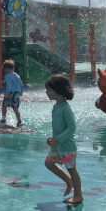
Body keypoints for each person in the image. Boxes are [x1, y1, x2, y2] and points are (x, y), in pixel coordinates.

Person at [44, 74, 83, 204]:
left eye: (49, 90)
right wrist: (53, 138)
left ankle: (78, 195)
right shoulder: (56, 106)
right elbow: (60, 127)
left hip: (67, 147)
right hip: (58, 145)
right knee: (48, 163)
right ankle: (68, 181)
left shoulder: (66, 108)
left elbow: (72, 128)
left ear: (58, 91)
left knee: (72, 169)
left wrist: (59, 139)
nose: (46, 92)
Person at [0, 58, 24, 127]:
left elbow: (9, 86)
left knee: (4, 105)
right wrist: (21, 92)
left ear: (6, 69)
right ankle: (19, 121)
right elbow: (21, 85)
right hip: (17, 94)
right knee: (15, 108)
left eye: (4, 70)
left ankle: (3, 119)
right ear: (13, 68)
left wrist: (7, 93)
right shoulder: (17, 76)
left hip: (10, 93)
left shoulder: (7, 76)